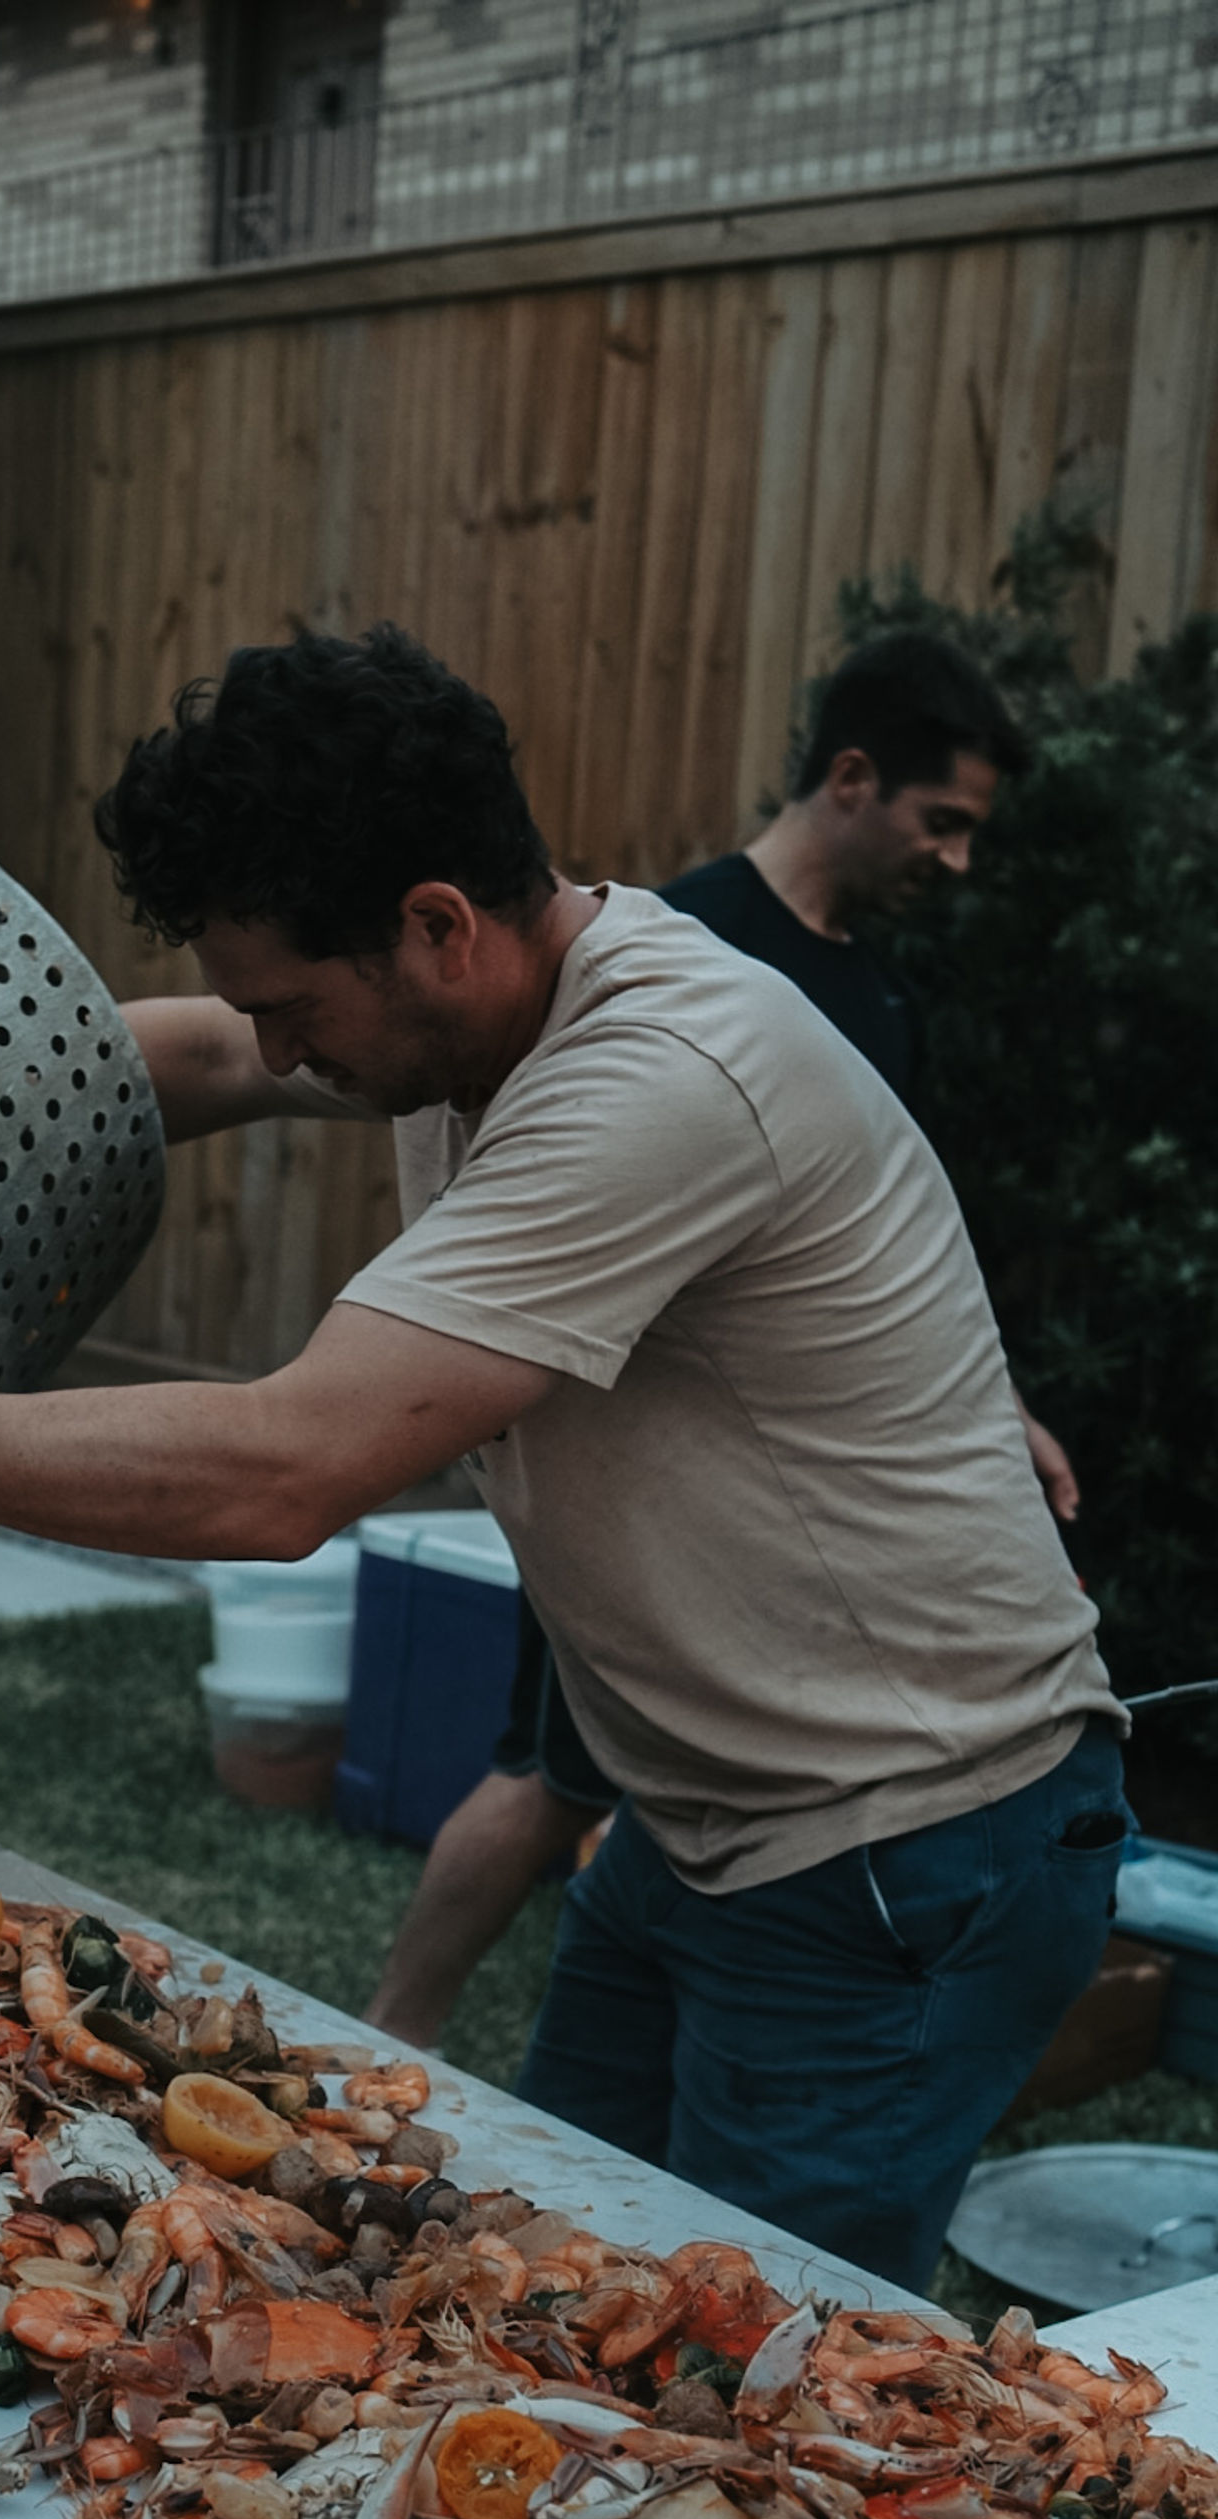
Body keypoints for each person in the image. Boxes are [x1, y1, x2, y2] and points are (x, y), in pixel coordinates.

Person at [0, 622, 1131, 2292]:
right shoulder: (481, 996)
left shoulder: (660, 1079)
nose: (272, 1054)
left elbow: (283, 1469)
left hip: (904, 1850)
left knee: (744, 2376)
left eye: (297, 1010)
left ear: (436, 925)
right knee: (544, 2281)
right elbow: (189, 1050)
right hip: (707, 1819)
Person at [365, 627, 1078, 2050]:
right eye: (944, 824)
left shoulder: (864, 993)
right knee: (544, 1774)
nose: (957, 862)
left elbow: (870, 1245)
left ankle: (395, 2044)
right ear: (852, 779)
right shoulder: (681, 956)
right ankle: (398, 2032)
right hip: (615, 1503)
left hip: (838, 1752)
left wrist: (983, 1396)